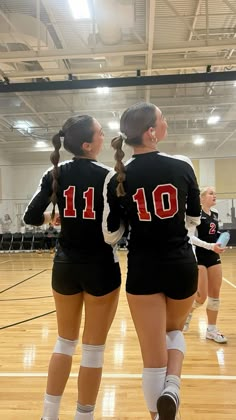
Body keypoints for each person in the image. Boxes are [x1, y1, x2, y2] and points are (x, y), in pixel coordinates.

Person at [102, 102, 201, 420]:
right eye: (162, 120)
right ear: (151, 133)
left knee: (151, 356)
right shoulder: (183, 165)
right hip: (181, 265)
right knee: (174, 333)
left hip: (143, 270)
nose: (166, 122)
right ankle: (173, 383)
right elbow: (194, 217)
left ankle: (159, 411)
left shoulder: (116, 176)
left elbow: (111, 234)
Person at [23, 115, 121, 420]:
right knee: (93, 349)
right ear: (88, 144)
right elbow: (110, 232)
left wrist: (53, 220)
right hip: (101, 268)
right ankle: (84, 416)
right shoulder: (109, 176)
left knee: (64, 342)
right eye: (101, 133)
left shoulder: (54, 172)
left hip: (64, 267)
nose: (105, 137)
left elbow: (30, 217)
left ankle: (48, 415)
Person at [183, 186, 227, 343]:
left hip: (213, 256)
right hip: (199, 257)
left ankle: (211, 330)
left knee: (215, 296)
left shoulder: (215, 215)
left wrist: (220, 243)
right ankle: (187, 312)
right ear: (201, 198)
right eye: (211, 193)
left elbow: (214, 236)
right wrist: (210, 246)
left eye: (215, 193)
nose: (214, 195)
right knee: (201, 297)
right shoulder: (196, 214)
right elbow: (190, 238)